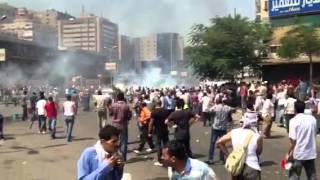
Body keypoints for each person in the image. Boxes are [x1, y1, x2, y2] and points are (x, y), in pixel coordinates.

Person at [217, 116, 263, 180]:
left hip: (236, 165)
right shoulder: (257, 136)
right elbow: (259, 152)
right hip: (252, 166)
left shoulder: (234, 132)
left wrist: (228, 155)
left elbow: (219, 142)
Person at [286, 100, 317, 180]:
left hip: (299, 153)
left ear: (295, 109)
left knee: (294, 176)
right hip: (310, 153)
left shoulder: (293, 121)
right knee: (312, 176)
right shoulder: (312, 119)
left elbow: (292, 141)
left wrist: (288, 153)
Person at [207, 98, 234, 165]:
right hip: (223, 128)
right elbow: (233, 109)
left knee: (212, 143)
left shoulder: (215, 107)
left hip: (215, 127)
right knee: (222, 143)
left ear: (216, 102)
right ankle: (222, 159)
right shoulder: (226, 107)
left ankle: (211, 159)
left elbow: (209, 111)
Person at [110, 92, 132, 161]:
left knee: (114, 140)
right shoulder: (126, 106)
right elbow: (129, 116)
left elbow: (110, 114)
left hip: (115, 125)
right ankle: (123, 157)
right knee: (124, 141)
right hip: (123, 125)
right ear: (123, 98)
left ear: (117, 98)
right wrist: (126, 118)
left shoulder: (113, 105)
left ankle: (115, 156)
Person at [148, 100, 171, 166]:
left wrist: (149, 132)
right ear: (161, 104)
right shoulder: (166, 111)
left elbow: (151, 123)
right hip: (165, 130)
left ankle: (160, 160)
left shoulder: (154, 112)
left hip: (157, 131)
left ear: (156, 104)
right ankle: (167, 157)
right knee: (165, 144)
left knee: (158, 145)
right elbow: (168, 121)